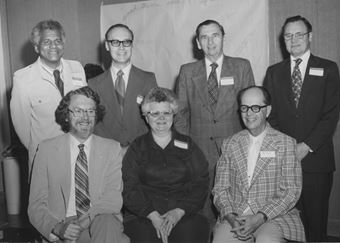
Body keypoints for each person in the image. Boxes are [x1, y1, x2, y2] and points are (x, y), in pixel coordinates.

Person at [263, 15, 340, 241]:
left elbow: (330, 116)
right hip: (283, 162)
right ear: (283, 39)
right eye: (288, 35)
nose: (293, 39)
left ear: (310, 37)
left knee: (315, 226)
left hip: (317, 161)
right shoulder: (273, 72)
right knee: (286, 226)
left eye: (299, 34)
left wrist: (306, 147)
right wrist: (288, 148)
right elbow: (271, 115)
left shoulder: (328, 68)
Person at [174, 19, 255, 223]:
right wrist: (186, 148)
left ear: (223, 38)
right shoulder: (187, 71)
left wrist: (247, 146)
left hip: (235, 150)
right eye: (204, 37)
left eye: (215, 35)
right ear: (198, 43)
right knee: (202, 210)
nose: (210, 42)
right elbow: (180, 114)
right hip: (198, 151)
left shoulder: (241, 67)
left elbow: (250, 113)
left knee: (235, 208)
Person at [28, 87, 129, 243]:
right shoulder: (46, 150)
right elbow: (36, 206)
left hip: (99, 221)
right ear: (67, 116)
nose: (85, 117)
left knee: (107, 222)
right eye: (78, 111)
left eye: (90, 111)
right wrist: (59, 228)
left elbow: (112, 199)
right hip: (62, 224)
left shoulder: (111, 148)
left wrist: (81, 224)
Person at [212, 86, 305, 243]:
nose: (249, 113)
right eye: (244, 108)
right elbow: (220, 189)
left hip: (274, 216)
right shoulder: (230, 144)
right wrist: (231, 217)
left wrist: (260, 217)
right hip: (236, 216)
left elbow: (292, 191)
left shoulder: (286, 143)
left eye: (256, 107)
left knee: (266, 241)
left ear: (267, 111)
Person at [122, 87, 210, 243]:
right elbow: (129, 187)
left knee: (188, 235)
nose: (161, 118)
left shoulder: (188, 144)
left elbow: (201, 182)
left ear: (173, 114)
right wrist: (152, 215)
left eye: (166, 113)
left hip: (184, 212)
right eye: (155, 113)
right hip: (143, 215)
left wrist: (179, 212)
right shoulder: (137, 147)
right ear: (146, 116)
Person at [10, 19, 87, 170]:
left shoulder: (77, 68)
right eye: (46, 42)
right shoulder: (23, 78)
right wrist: (40, 150)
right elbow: (22, 126)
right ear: (36, 47)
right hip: (45, 157)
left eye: (58, 41)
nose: (53, 46)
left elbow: (85, 108)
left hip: (78, 151)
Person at [88, 23, 157, 147]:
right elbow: (94, 121)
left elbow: (154, 117)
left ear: (132, 45)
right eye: (115, 42)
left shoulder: (148, 79)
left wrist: (133, 146)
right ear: (107, 46)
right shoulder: (94, 84)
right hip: (107, 150)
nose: (121, 47)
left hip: (140, 149)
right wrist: (114, 148)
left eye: (126, 42)